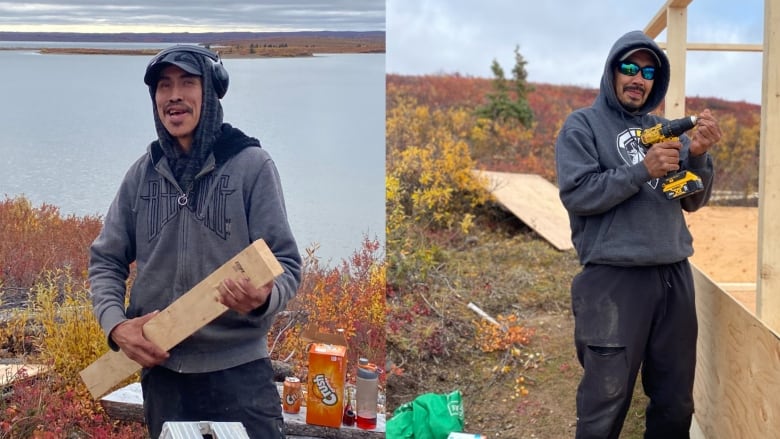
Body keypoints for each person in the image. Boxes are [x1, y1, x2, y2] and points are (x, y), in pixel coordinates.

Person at [88, 45, 301, 439]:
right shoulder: (142, 174)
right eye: (164, 86)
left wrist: (264, 299)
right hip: (164, 376)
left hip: (239, 375)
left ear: (212, 92)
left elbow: (286, 264)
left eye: (188, 82)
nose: (174, 96)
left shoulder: (252, 166)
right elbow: (105, 261)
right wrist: (116, 326)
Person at [555, 30, 722, 438]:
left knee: (675, 399)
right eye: (629, 67)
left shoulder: (666, 130)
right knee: (605, 400)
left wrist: (698, 156)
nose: (638, 78)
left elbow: (691, 200)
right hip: (614, 279)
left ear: (656, 82)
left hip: (674, 276)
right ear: (612, 72)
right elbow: (578, 194)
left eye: (648, 71)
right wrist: (640, 170)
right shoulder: (583, 126)